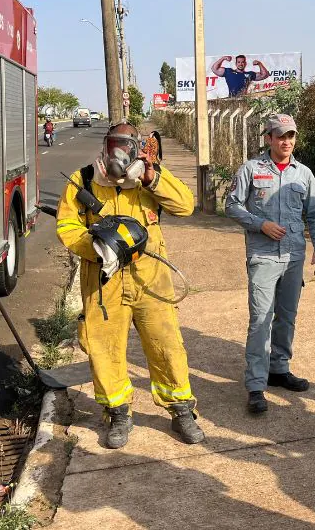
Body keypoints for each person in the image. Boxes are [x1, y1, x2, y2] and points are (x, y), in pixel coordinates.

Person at [56, 122, 205, 448]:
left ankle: (181, 410)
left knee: (166, 345)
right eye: (114, 146)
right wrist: (94, 246)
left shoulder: (148, 180)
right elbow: (67, 226)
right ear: (105, 147)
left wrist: (152, 178)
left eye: (126, 147)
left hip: (151, 279)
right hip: (104, 282)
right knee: (103, 348)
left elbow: (185, 205)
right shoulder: (83, 181)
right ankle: (118, 414)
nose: (119, 155)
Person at [225, 113, 315, 414]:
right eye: (281, 136)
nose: (286, 142)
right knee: (260, 321)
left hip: (294, 257)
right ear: (268, 138)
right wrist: (260, 224)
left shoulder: (303, 174)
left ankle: (279, 369)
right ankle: (256, 385)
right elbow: (231, 205)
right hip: (263, 257)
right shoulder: (251, 169)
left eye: (291, 136)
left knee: (287, 316)